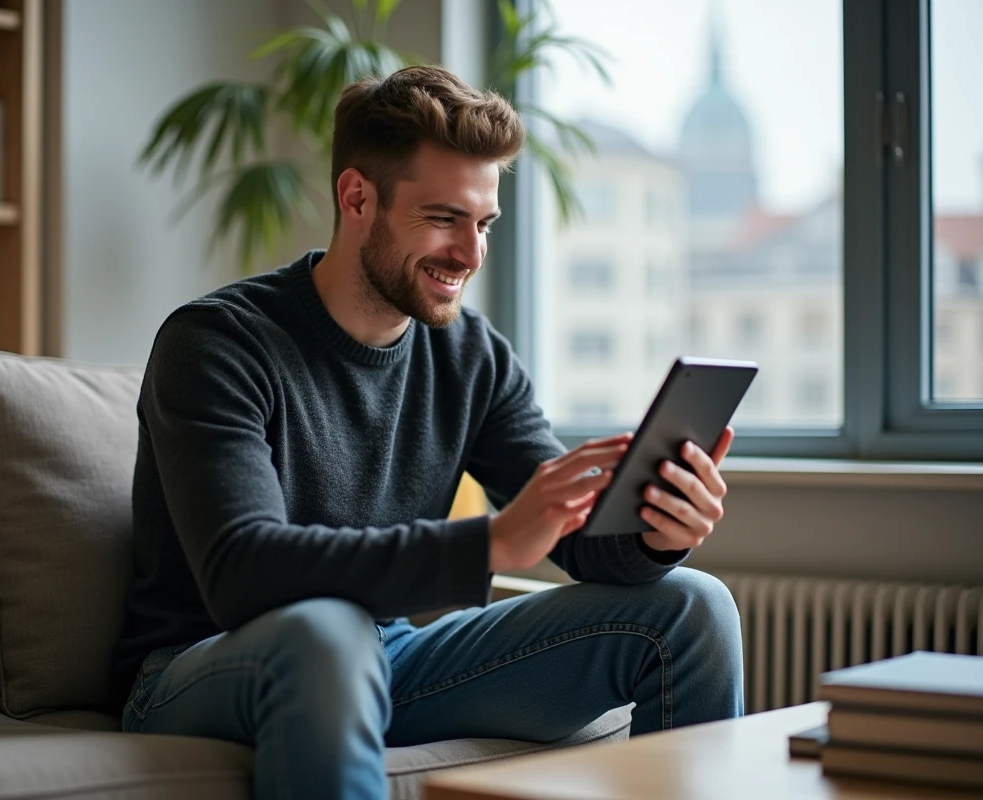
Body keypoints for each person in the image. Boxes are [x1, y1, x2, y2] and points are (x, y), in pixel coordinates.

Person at [114, 64, 743, 799]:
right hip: (204, 666)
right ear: (357, 197)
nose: (471, 254)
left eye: (483, 224)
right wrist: (492, 542)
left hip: (388, 655)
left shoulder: (471, 356)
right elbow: (241, 573)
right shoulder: (217, 341)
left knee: (695, 607)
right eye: (444, 219)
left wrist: (654, 534)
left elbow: (575, 537)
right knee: (328, 634)